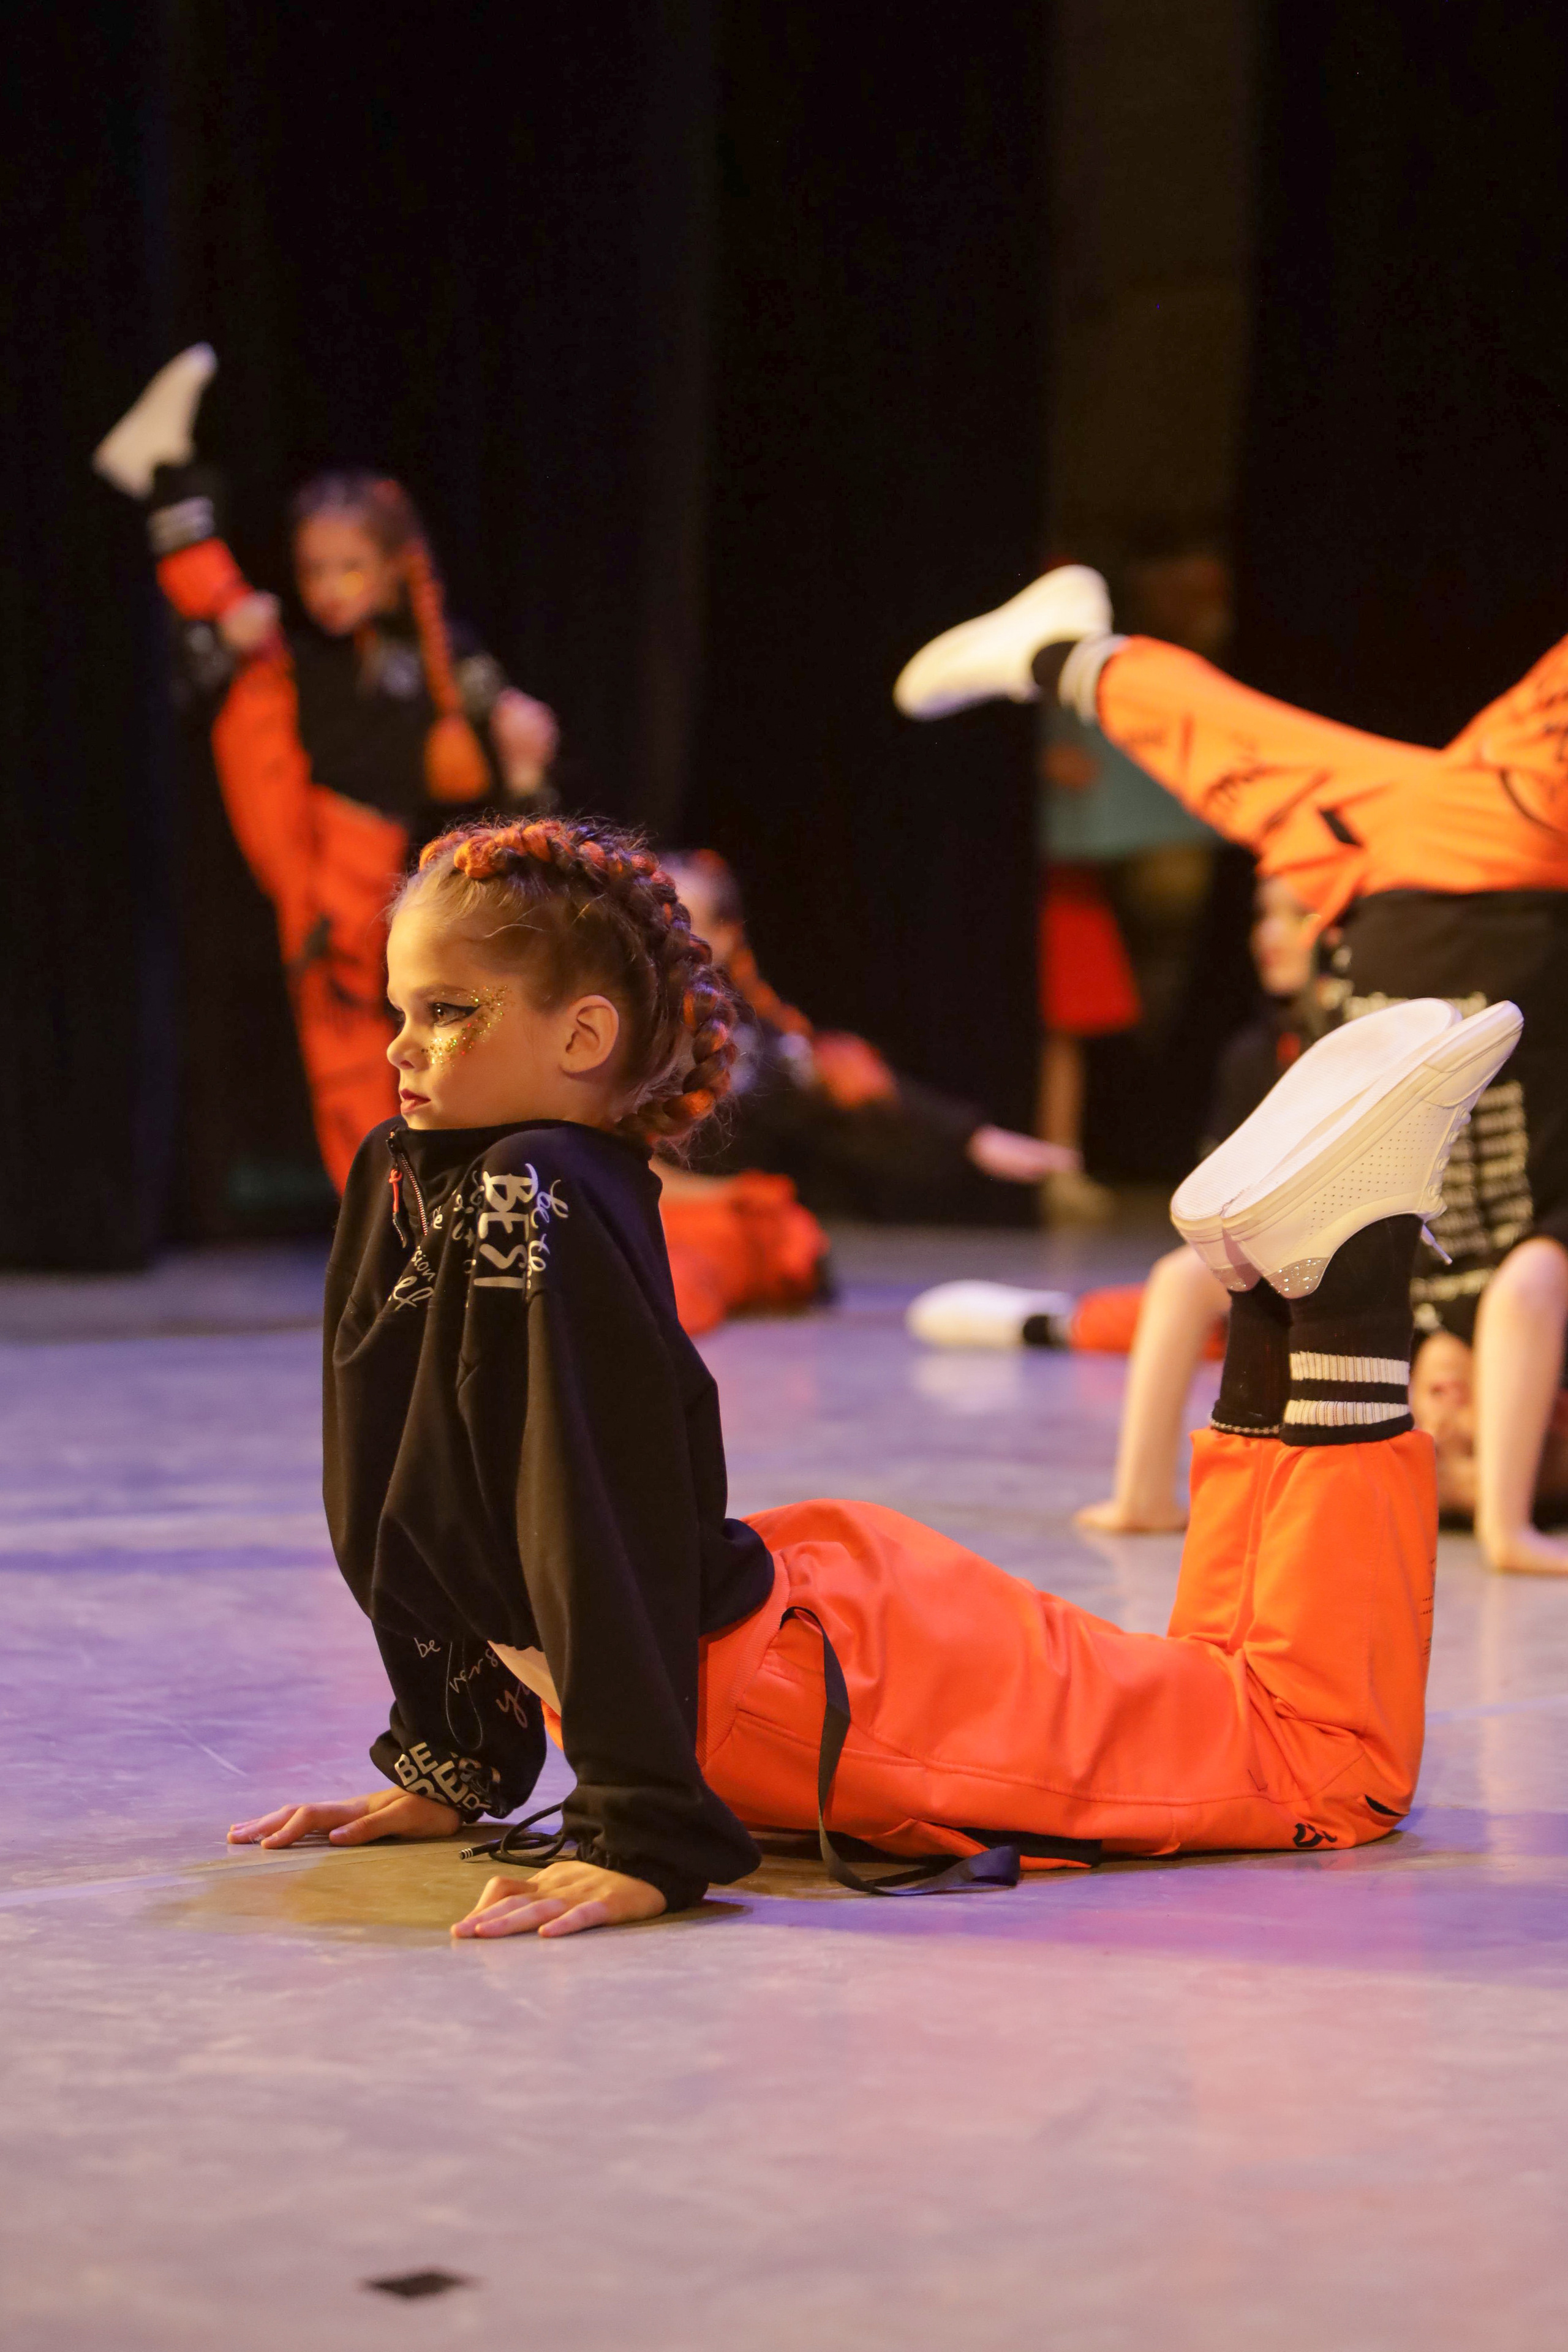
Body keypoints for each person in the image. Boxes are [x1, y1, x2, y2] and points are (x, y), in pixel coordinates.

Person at [226, 811, 1515, 1938]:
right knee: (1238, 1705)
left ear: (585, 1035)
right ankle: (1286, 1285)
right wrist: (458, 1755)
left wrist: (636, 1828)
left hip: (803, 1682)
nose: (401, 1049)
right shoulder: (419, 1176)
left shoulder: (528, 1191)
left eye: (449, 1012)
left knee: (1318, 1768)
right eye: (399, 1011)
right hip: (792, 1647)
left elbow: (583, 1502)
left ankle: (1341, 1274)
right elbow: (394, 1485)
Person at [895, 567, 1568, 1573]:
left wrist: (1142, 1497)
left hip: (1369, 874)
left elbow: (1182, 1286)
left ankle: (1066, 657)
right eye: (1490, 1448)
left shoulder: (1363, 1310)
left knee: (1234, 752)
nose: (1456, 1419)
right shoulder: (1520, 1286)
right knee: (1240, 749)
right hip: (1509, 852)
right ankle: (1067, 657)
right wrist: (1509, 1529)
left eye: (1445, 1454)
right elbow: (1528, 1302)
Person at [91, 344, 559, 1190]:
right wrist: (223, 641)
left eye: (350, 568)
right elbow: (197, 696)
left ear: (393, 568)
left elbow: (502, 728)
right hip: (302, 823)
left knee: (356, 1031)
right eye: (314, 570)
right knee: (251, 648)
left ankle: (390, 1199)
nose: (331, 588)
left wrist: (522, 733)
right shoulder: (307, 657)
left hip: (357, 857)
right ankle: (169, 487)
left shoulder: (440, 655)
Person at [660, 850, 1076, 1220]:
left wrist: (969, 1136)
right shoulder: (631, 1027)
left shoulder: (751, 1039)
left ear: (725, 937)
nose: (668, 940)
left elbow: (846, 1081)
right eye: (656, 923)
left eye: (686, 923)